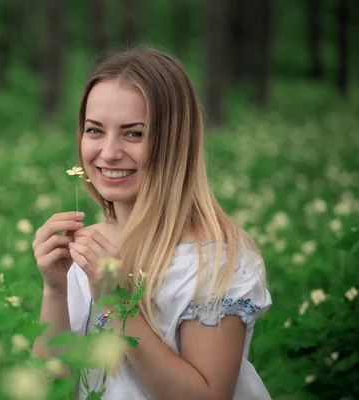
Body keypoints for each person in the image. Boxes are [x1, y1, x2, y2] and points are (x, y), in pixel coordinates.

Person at [31, 47, 272, 400]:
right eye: (95, 130)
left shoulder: (212, 260)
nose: (109, 152)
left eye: (134, 134)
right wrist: (54, 289)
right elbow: (49, 390)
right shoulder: (88, 247)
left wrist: (116, 302)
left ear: (175, 143)